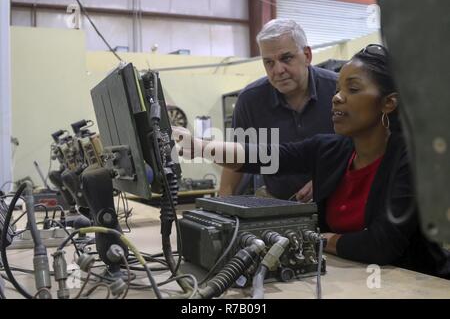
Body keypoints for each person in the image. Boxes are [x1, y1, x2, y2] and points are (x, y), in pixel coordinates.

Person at [173, 44, 450, 278]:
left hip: (415, 283)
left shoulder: (413, 160)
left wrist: (313, 240)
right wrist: (199, 146)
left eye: (353, 89)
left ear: (389, 103)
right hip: (351, 279)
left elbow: (381, 244)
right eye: (338, 87)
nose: (338, 97)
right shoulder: (331, 149)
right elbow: (262, 155)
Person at [219, 19, 337, 202]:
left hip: (338, 202)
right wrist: (222, 208)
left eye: (286, 58)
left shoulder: (339, 91)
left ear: (307, 55)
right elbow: (236, 161)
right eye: (269, 62)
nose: (278, 70)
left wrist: (327, 180)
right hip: (279, 206)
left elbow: (363, 150)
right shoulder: (250, 101)